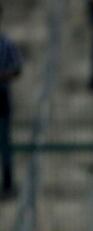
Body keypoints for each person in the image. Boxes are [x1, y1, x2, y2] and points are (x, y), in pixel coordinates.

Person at [0, 5, 22, 198]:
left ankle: (7, 183)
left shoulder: (5, 44)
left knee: (5, 143)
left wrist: (3, 76)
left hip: (1, 99)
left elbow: (16, 69)